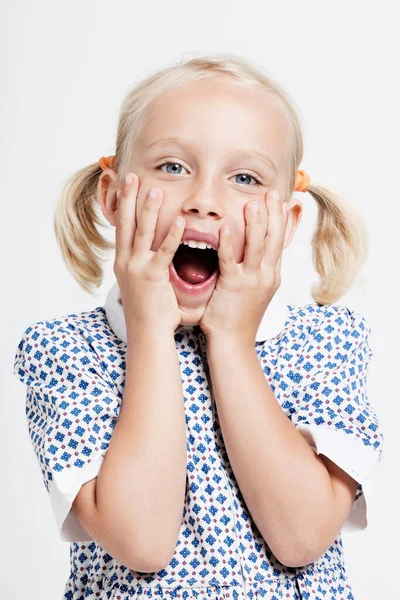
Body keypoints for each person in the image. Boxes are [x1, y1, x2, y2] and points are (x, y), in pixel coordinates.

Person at [13, 53, 383, 600]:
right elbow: (141, 541)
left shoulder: (326, 343)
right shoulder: (66, 352)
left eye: (244, 177)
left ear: (286, 223)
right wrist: (148, 330)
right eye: (173, 167)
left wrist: (232, 341)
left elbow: (301, 536)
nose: (205, 201)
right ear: (114, 197)